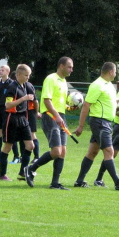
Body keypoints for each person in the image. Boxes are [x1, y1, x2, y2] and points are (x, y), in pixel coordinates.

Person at [73, 62, 119, 190]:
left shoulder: (110, 86)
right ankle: (118, 182)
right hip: (100, 122)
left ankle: (79, 181)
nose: (116, 74)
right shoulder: (97, 85)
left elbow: (111, 102)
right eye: (115, 71)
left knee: (92, 152)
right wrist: (80, 126)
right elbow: (86, 105)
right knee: (109, 151)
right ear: (111, 72)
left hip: (105, 123)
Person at [23, 57, 73, 190]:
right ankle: (31, 168)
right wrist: (56, 116)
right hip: (51, 116)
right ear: (61, 66)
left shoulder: (64, 81)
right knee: (56, 151)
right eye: (69, 67)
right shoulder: (51, 79)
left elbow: (60, 102)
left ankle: (55, 183)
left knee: (63, 152)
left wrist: (69, 107)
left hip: (60, 116)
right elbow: (46, 100)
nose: (71, 69)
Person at [0, 64, 35, 181]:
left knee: (30, 145)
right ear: (18, 75)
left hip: (23, 119)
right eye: (26, 75)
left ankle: (23, 173)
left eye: (29, 75)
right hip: (11, 119)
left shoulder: (24, 86)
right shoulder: (12, 87)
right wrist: (23, 99)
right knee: (8, 147)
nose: (28, 78)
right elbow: (7, 105)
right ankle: (2, 175)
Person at [0, 65, 20, 164]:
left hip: (8, 110)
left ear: (8, 72)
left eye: (3, 70)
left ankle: (16, 156)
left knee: (10, 134)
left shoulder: (12, 84)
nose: (1, 72)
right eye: (0, 70)